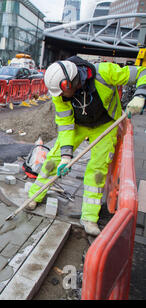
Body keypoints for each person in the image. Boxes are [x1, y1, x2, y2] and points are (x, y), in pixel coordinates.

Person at [27, 56, 146, 236]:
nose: (59, 98)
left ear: (70, 83)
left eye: (61, 93)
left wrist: (140, 95)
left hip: (105, 124)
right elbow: (66, 126)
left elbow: (142, 72)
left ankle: (89, 217)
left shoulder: (105, 73)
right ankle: (36, 194)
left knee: (97, 170)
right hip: (77, 126)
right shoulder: (60, 96)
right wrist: (66, 157)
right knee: (53, 160)